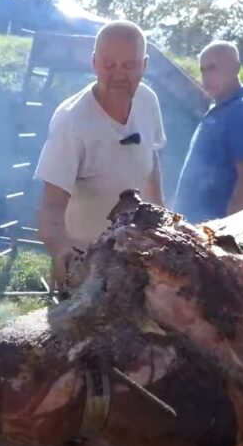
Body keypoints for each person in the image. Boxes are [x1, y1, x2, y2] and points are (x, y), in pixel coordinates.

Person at [33, 20, 167, 291]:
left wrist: (163, 224)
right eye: (109, 64)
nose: (118, 74)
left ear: (145, 65)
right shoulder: (71, 121)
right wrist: (61, 253)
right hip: (86, 266)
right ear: (94, 63)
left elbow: (150, 161)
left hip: (136, 259)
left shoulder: (147, 101)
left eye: (129, 65)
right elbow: (51, 209)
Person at [173, 41, 243, 224]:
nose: (206, 77)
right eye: (203, 70)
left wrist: (228, 235)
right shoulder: (221, 107)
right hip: (196, 229)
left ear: (235, 68)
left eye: (212, 68)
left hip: (215, 234)